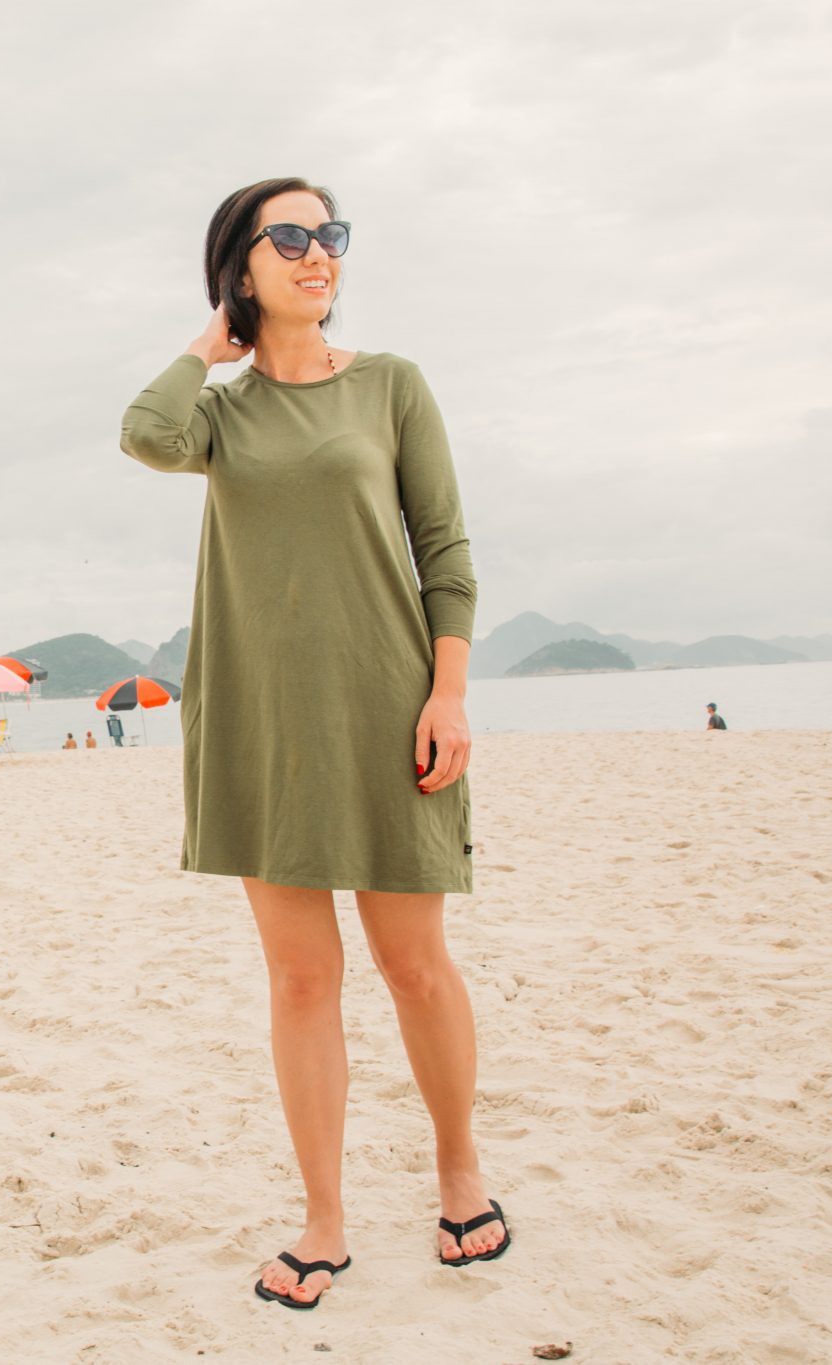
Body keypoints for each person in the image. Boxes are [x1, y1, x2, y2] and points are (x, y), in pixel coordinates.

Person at [120, 177, 502, 1309]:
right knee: (298, 977)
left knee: (413, 967)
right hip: (258, 722)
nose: (316, 253)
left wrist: (447, 697)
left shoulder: (388, 386)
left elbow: (443, 545)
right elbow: (144, 431)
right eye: (286, 237)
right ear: (241, 266)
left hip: (387, 707)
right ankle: (322, 1219)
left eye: (328, 235)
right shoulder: (220, 416)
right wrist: (210, 341)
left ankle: (457, 1172)